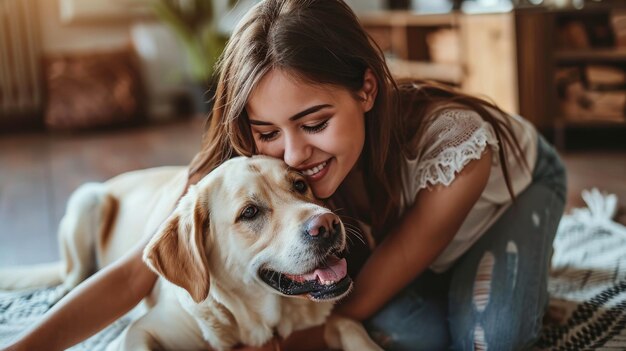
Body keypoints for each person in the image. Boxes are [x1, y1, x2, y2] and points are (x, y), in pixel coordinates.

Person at [4, 0, 567, 350]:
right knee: (414, 335)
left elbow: (359, 299)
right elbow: (134, 278)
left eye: (315, 122)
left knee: (493, 337)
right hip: (405, 229)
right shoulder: (244, 168)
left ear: (367, 89)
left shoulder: (454, 145)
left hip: (507, 186)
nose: (293, 157)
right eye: (269, 131)